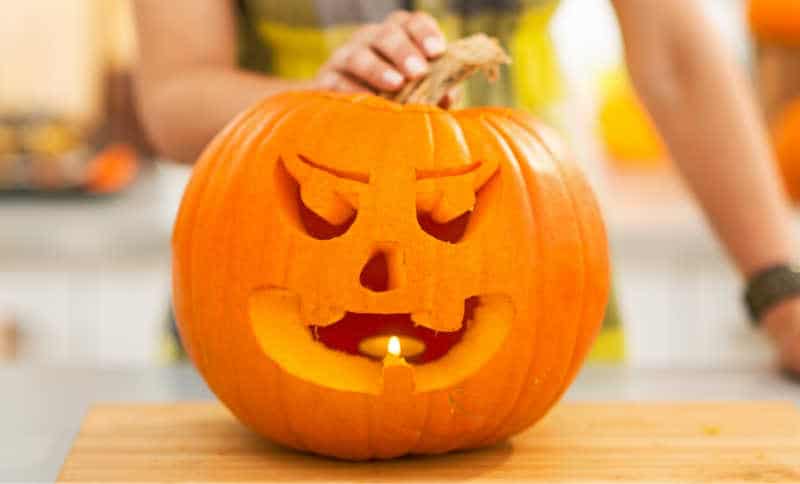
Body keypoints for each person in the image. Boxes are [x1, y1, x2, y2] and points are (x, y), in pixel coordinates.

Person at [134, 0, 800, 374]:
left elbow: (677, 59)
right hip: (271, 309)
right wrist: (323, 104)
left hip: (535, 283)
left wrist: (780, 288)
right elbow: (173, 97)